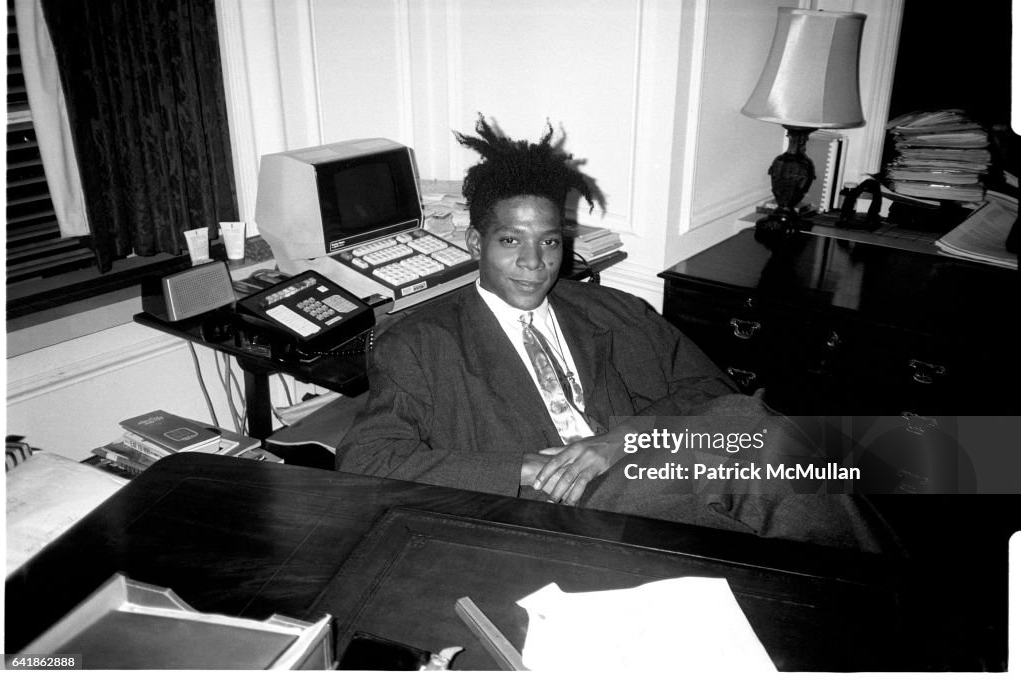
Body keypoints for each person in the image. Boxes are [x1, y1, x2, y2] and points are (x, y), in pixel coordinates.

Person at [336, 115, 899, 553]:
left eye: (550, 242)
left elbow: (714, 398)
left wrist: (621, 441)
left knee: (768, 448)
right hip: (544, 504)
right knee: (772, 456)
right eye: (510, 242)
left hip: (633, 472)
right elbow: (367, 460)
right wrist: (524, 468)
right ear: (474, 245)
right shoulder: (419, 342)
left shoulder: (613, 312)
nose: (535, 263)